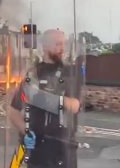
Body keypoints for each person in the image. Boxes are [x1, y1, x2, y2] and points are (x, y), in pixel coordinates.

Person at [8, 29, 81, 168]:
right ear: (45, 46)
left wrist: (41, 98)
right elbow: (13, 111)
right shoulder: (32, 74)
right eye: (57, 44)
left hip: (63, 150)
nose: (62, 48)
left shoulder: (70, 73)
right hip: (37, 153)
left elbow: (74, 105)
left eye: (63, 44)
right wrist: (25, 130)